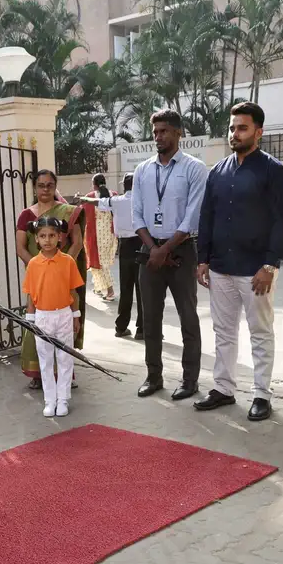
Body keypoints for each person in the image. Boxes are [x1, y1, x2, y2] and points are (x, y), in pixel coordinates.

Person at [194, 102, 283, 421]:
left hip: (256, 270)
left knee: (260, 332)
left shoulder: (274, 172)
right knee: (223, 331)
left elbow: (282, 221)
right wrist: (202, 260)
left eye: (242, 128)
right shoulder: (218, 171)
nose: (235, 133)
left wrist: (269, 265)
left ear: (258, 132)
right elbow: (206, 216)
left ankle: (262, 393)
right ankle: (223, 388)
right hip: (220, 267)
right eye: (232, 128)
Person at [132, 110, 207, 400]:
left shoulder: (194, 168)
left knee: (188, 317)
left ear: (178, 133)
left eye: (164, 131)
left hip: (182, 251)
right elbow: (137, 214)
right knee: (150, 318)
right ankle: (154, 376)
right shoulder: (143, 170)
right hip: (149, 251)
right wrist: (154, 249)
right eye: (155, 132)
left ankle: (190, 380)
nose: (158, 137)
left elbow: (192, 216)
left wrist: (165, 249)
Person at [15, 170, 86, 390]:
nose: (45, 189)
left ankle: (65, 374)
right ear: (34, 188)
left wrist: (64, 265)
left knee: (64, 323)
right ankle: (38, 374)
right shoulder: (26, 215)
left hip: (63, 275)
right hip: (39, 277)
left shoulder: (68, 211)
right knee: (37, 320)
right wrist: (37, 267)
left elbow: (77, 242)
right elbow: (20, 247)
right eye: (41, 185)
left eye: (49, 185)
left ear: (55, 187)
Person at [23, 216, 84, 417]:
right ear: (36, 239)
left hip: (64, 315)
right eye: (42, 236)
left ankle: (63, 399)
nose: (47, 240)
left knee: (65, 357)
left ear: (59, 237)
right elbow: (31, 294)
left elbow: (73, 292)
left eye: (51, 235)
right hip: (42, 317)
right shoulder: (33, 264)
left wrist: (76, 316)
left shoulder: (68, 261)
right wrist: (30, 319)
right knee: (45, 359)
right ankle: (50, 400)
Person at [84, 173, 142, 338]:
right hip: (141, 243)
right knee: (142, 288)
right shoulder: (143, 200)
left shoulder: (116, 201)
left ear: (124, 185)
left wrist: (82, 198)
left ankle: (121, 327)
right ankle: (142, 329)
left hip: (125, 247)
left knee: (126, 288)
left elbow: (96, 202)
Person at [87, 173, 117, 302]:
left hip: (97, 234)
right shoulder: (114, 195)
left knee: (101, 263)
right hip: (111, 233)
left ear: (94, 184)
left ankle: (110, 291)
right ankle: (99, 287)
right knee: (101, 262)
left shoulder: (91, 197)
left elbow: (83, 211)